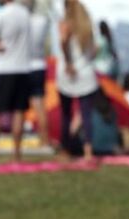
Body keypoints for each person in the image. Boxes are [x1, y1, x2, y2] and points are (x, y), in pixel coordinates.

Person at [0, 0, 31, 166]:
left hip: (3, 69)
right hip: (22, 68)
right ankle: (17, 155)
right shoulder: (25, 13)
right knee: (19, 111)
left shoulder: (0, 14)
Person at [55, 0, 98, 160]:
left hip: (68, 72)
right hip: (86, 72)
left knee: (66, 114)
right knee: (86, 115)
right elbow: (95, 50)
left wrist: (68, 63)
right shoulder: (87, 25)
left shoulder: (65, 23)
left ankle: (65, 149)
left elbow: (63, 43)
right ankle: (88, 151)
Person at [26, 0, 51, 150]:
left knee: (20, 108)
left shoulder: (23, 20)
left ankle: (40, 139)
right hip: (39, 65)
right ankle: (45, 139)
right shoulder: (42, 20)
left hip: (25, 66)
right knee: (40, 106)